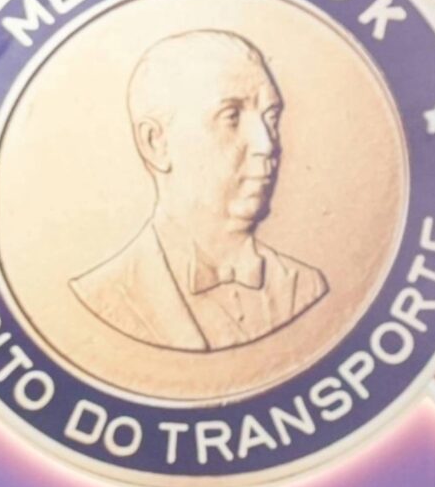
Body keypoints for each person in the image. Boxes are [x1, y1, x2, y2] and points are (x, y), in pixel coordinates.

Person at [70, 29, 327, 352]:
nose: (267, 144)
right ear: (156, 143)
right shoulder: (105, 293)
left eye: (271, 117)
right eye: (232, 117)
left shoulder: (304, 286)